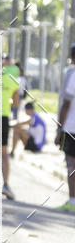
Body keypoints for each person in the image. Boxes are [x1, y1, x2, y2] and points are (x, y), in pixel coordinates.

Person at [55, 44, 75, 212]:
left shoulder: (73, 75)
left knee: (71, 165)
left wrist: (59, 129)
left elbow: (66, 105)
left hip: (71, 128)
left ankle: (72, 201)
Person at [1, 56, 20, 200]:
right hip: (3, 117)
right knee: (4, 154)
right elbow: (15, 103)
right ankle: (6, 185)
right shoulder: (11, 80)